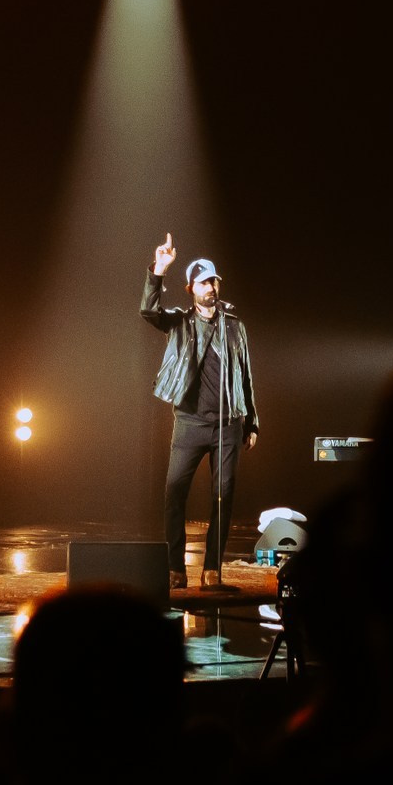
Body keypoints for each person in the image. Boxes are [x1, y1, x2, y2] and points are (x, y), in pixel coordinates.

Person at [141, 232, 258, 586]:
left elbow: (245, 375)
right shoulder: (180, 322)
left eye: (214, 281)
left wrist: (252, 422)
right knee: (174, 492)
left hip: (229, 424)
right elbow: (149, 310)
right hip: (190, 422)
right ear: (191, 288)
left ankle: (211, 571)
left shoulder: (234, 326)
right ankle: (175, 569)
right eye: (204, 282)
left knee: (223, 497)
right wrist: (159, 269)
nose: (211, 287)